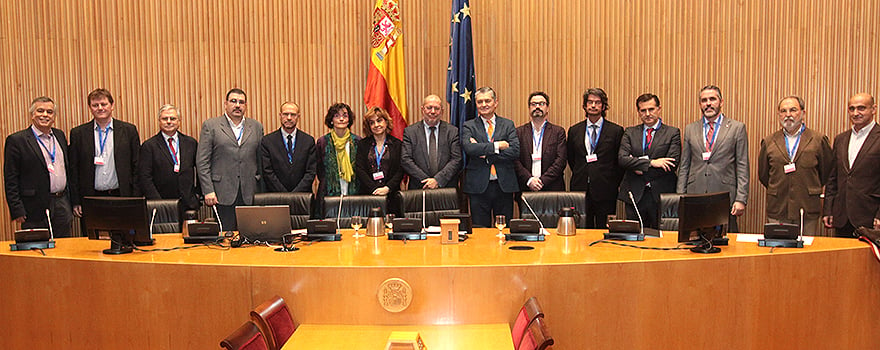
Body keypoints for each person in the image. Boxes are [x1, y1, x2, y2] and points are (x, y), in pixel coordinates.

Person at [677, 85, 749, 232]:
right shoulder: (690, 129)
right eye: (704, 100)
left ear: (721, 102)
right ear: (700, 104)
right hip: (694, 194)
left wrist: (741, 199)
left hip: (724, 195)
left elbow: (742, 165)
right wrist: (680, 196)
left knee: (726, 245)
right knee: (694, 243)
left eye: (712, 99)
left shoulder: (737, 128)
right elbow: (684, 165)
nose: (708, 103)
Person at [758, 96, 831, 236]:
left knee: (805, 252)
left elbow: (826, 172)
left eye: (793, 110)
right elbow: (764, 175)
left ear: (803, 113)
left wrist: (809, 186)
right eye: (783, 111)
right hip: (778, 206)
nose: (788, 115)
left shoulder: (818, 140)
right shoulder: (769, 141)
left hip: (807, 207)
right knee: (779, 251)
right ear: (778, 114)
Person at [4, 96, 73, 237]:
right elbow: (11, 178)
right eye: (40, 111)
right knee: (37, 249)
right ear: (32, 114)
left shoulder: (59, 136)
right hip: (33, 207)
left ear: (54, 116)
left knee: (64, 246)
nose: (45, 115)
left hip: (62, 203)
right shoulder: (17, 140)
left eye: (49, 112)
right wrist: (17, 209)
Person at [196, 88, 264, 230]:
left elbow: (261, 160)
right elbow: (202, 161)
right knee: (226, 239)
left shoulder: (256, 127)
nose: (237, 105)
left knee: (251, 236)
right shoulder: (211, 126)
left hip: (250, 191)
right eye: (233, 101)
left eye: (241, 102)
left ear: (246, 106)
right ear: (225, 104)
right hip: (221, 192)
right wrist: (208, 190)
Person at [69, 88, 141, 218]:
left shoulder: (128, 131)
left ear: (112, 106)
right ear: (90, 108)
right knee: (94, 237)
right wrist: (76, 201)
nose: (100, 108)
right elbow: (74, 170)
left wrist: (135, 198)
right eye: (95, 105)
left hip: (122, 196)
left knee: (122, 237)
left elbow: (136, 166)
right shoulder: (78, 134)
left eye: (104, 104)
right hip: (91, 198)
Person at [618, 93, 681, 229]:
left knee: (661, 238)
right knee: (634, 237)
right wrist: (652, 163)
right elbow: (622, 159)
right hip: (634, 194)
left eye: (651, 109)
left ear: (659, 109)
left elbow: (672, 164)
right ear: (638, 112)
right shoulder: (630, 132)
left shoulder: (672, 133)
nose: (647, 114)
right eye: (643, 110)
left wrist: (635, 165)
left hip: (660, 194)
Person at [461, 87, 520, 228]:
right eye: (480, 101)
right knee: (480, 230)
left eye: (487, 100)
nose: (484, 104)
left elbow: (515, 151)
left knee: (504, 229)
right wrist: (497, 146)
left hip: (503, 185)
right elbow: (470, 149)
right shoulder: (468, 126)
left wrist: (485, 154)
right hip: (478, 187)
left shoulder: (508, 124)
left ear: (496, 102)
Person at [823, 93, 880, 237]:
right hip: (842, 217)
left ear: (873, 109)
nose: (856, 113)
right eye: (852, 109)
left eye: (861, 108)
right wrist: (829, 209)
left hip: (871, 216)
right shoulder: (841, 139)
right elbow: (832, 177)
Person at [567, 88, 624, 228]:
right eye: (590, 102)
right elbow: (571, 158)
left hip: (606, 189)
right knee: (581, 231)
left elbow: (619, 162)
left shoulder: (616, 131)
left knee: (603, 231)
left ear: (603, 106)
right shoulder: (574, 130)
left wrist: (612, 181)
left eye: (597, 102)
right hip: (580, 188)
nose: (593, 106)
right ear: (585, 106)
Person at [138, 104, 200, 216]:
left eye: (173, 118)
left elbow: (200, 170)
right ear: (159, 121)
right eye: (164, 119)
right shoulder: (149, 146)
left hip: (188, 204)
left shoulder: (191, 143)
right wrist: (157, 202)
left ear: (179, 121)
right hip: (161, 204)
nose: (169, 122)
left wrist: (198, 194)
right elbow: (145, 177)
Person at [401, 95, 462, 190]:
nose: (433, 111)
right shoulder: (410, 132)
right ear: (422, 109)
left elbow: (456, 159)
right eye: (429, 108)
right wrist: (426, 181)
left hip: (446, 188)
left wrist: (438, 180)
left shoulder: (452, 131)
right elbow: (406, 159)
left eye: (436, 108)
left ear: (442, 111)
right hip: (419, 188)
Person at [515, 91, 567, 192]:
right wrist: (529, 180)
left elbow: (561, 161)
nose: (537, 107)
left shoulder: (558, 132)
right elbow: (515, 160)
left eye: (541, 104)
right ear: (529, 108)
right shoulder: (519, 132)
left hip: (552, 188)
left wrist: (542, 181)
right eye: (533, 104)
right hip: (526, 188)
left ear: (547, 108)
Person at [260, 102, 316, 192]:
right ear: (280, 115)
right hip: (276, 196)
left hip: (302, 198)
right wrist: (284, 194)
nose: (289, 118)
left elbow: (311, 172)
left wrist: (295, 194)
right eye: (286, 114)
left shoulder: (308, 141)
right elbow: (268, 172)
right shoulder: (267, 141)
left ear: (298, 116)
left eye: (293, 115)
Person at [355, 107, 404, 196]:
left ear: (386, 122)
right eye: (372, 123)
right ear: (369, 127)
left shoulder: (397, 144)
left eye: (379, 120)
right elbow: (359, 169)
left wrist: (387, 188)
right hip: (368, 195)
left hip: (392, 194)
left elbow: (400, 170)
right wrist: (374, 189)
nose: (376, 125)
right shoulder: (363, 144)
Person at [316, 102, 360, 197]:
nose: (341, 119)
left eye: (345, 116)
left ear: (349, 120)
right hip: (328, 193)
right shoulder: (323, 142)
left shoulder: (357, 142)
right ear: (331, 120)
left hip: (354, 192)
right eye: (337, 116)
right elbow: (320, 170)